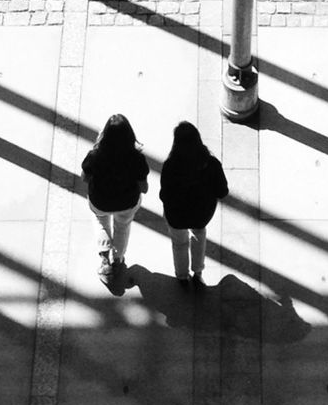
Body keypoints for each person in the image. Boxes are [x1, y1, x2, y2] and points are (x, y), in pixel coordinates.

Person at [158, 121, 229, 287]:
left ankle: (182, 277)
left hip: (176, 215)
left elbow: (164, 194)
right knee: (199, 236)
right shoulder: (211, 164)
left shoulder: (170, 166)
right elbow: (222, 192)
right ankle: (198, 273)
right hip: (201, 214)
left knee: (179, 244)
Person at [82, 114, 149, 283]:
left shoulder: (95, 155)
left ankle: (105, 261)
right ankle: (118, 259)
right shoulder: (137, 158)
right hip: (127, 202)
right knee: (123, 227)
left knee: (101, 221)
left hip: (100, 200)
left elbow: (84, 177)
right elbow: (144, 188)